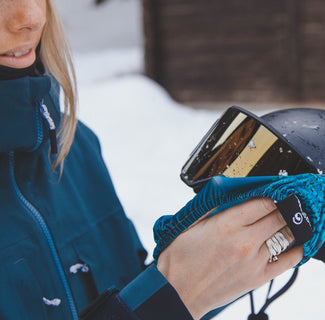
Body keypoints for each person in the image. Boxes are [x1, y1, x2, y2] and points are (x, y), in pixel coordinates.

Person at [0, 1, 303, 319]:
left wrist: (212, 258)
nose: (32, 17)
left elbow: (126, 296)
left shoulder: (73, 144)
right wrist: (174, 297)